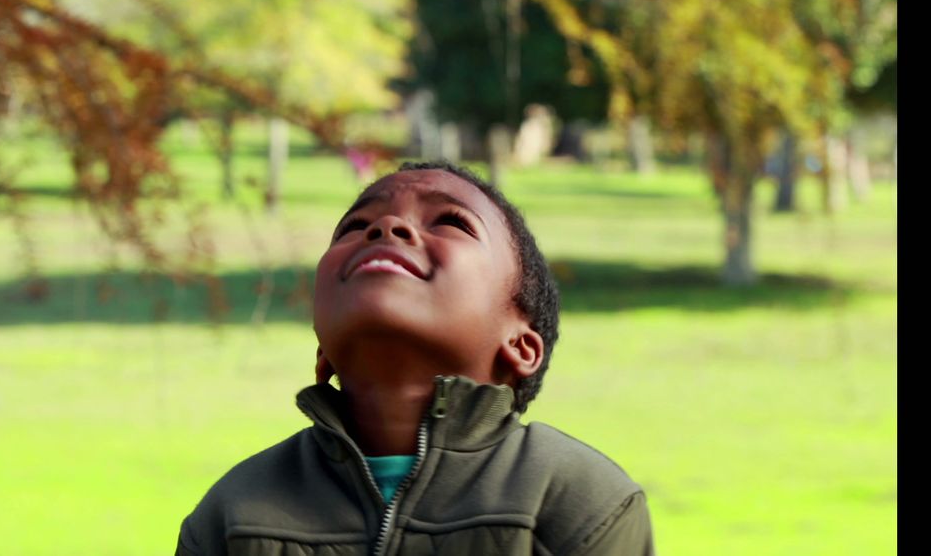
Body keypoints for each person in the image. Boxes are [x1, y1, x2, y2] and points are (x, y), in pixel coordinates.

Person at [175, 160, 654, 555]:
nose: (386, 226)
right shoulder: (233, 513)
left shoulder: (578, 501)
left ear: (520, 345)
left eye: (450, 221)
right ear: (323, 354)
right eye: (355, 227)